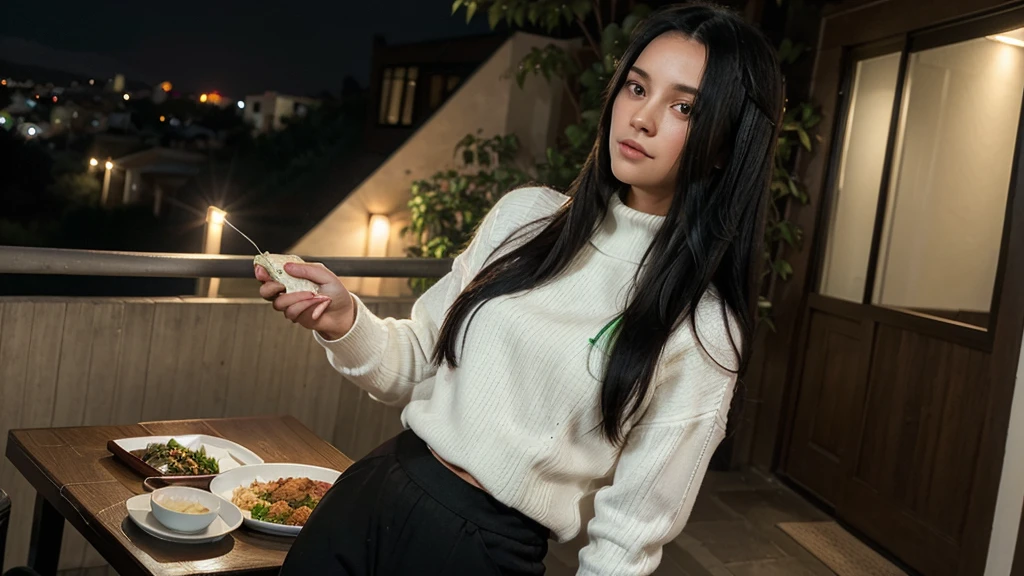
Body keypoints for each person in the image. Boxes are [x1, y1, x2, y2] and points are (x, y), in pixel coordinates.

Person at [259, 3, 783, 574]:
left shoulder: (703, 326)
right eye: (637, 87)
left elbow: (628, 536)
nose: (642, 118)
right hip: (373, 494)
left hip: (483, 554)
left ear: (727, 144)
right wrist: (344, 321)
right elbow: (415, 362)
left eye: (684, 106)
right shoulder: (524, 218)